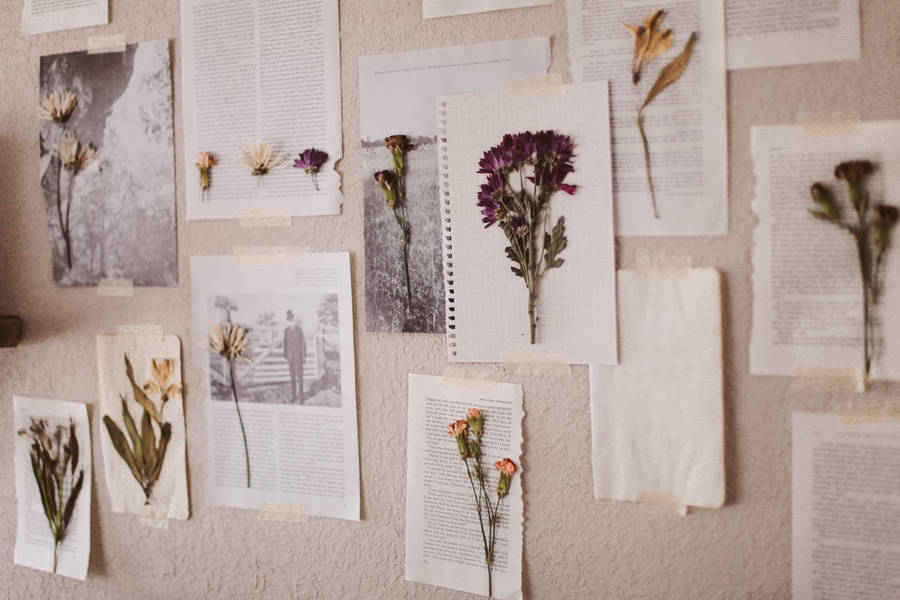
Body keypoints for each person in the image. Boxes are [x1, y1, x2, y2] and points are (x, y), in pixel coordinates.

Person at [283, 310, 306, 403]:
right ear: (287, 321)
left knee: (300, 377)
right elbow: (285, 343)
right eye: (289, 320)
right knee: (292, 377)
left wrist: (304, 355)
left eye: (292, 320)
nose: (290, 322)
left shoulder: (299, 329)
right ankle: (293, 396)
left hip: (299, 357)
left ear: (294, 320)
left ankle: (301, 397)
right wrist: (286, 355)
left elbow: (303, 343)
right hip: (290, 358)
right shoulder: (286, 331)